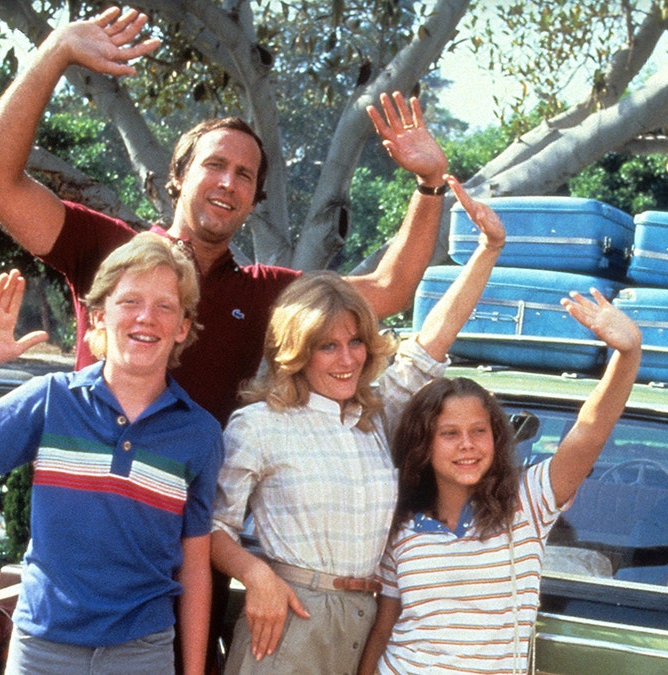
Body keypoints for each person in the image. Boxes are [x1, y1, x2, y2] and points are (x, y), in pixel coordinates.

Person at [0, 5, 450, 425]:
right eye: (214, 165)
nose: (226, 182)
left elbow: (391, 288)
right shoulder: (108, 249)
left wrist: (430, 184)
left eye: (244, 174)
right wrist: (55, 50)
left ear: (255, 199)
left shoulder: (266, 293)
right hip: (89, 503)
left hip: (188, 522)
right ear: (178, 177)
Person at [209, 176, 504, 674]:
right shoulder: (258, 425)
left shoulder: (377, 416)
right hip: (289, 617)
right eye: (327, 346)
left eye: (355, 342)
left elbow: (431, 343)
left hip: (366, 623)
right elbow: (213, 527)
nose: (346, 359)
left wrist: (488, 250)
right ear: (296, 352)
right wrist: (255, 576)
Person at [0, 233, 222, 674]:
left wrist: (194, 671)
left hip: (143, 654)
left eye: (165, 305)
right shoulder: (51, 400)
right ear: (100, 315)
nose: (147, 317)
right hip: (42, 649)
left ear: (183, 326)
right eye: (129, 301)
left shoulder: (199, 432)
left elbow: (196, 567)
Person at [357, 289, 642, 675]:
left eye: (479, 430)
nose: (467, 446)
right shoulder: (404, 526)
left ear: (496, 437)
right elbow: (384, 630)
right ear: (423, 445)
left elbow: (589, 432)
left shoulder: (528, 503)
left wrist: (628, 354)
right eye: (449, 434)